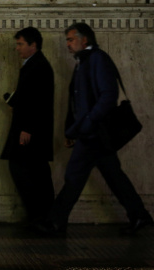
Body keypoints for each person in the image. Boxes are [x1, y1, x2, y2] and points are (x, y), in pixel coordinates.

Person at [38, 23, 153, 235]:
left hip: (94, 134)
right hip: (90, 132)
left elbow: (108, 96)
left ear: (85, 40)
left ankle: (55, 222)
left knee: (74, 176)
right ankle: (139, 215)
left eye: (71, 40)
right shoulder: (84, 61)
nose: (68, 45)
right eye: (67, 40)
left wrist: (87, 124)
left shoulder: (97, 59)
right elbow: (77, 102)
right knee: (113, 176)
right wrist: (72, 131)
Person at [0, 27, 55, 226]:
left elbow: (38, 101)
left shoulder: (38, 66)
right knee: (36, 171)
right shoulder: (34, 65)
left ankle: (40, 216)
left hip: (29, 131)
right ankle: (43, 216)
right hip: (30, 129)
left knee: (25, 170)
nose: (17, 48)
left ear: (34, 45)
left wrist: (27, 127)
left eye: (20, 44)